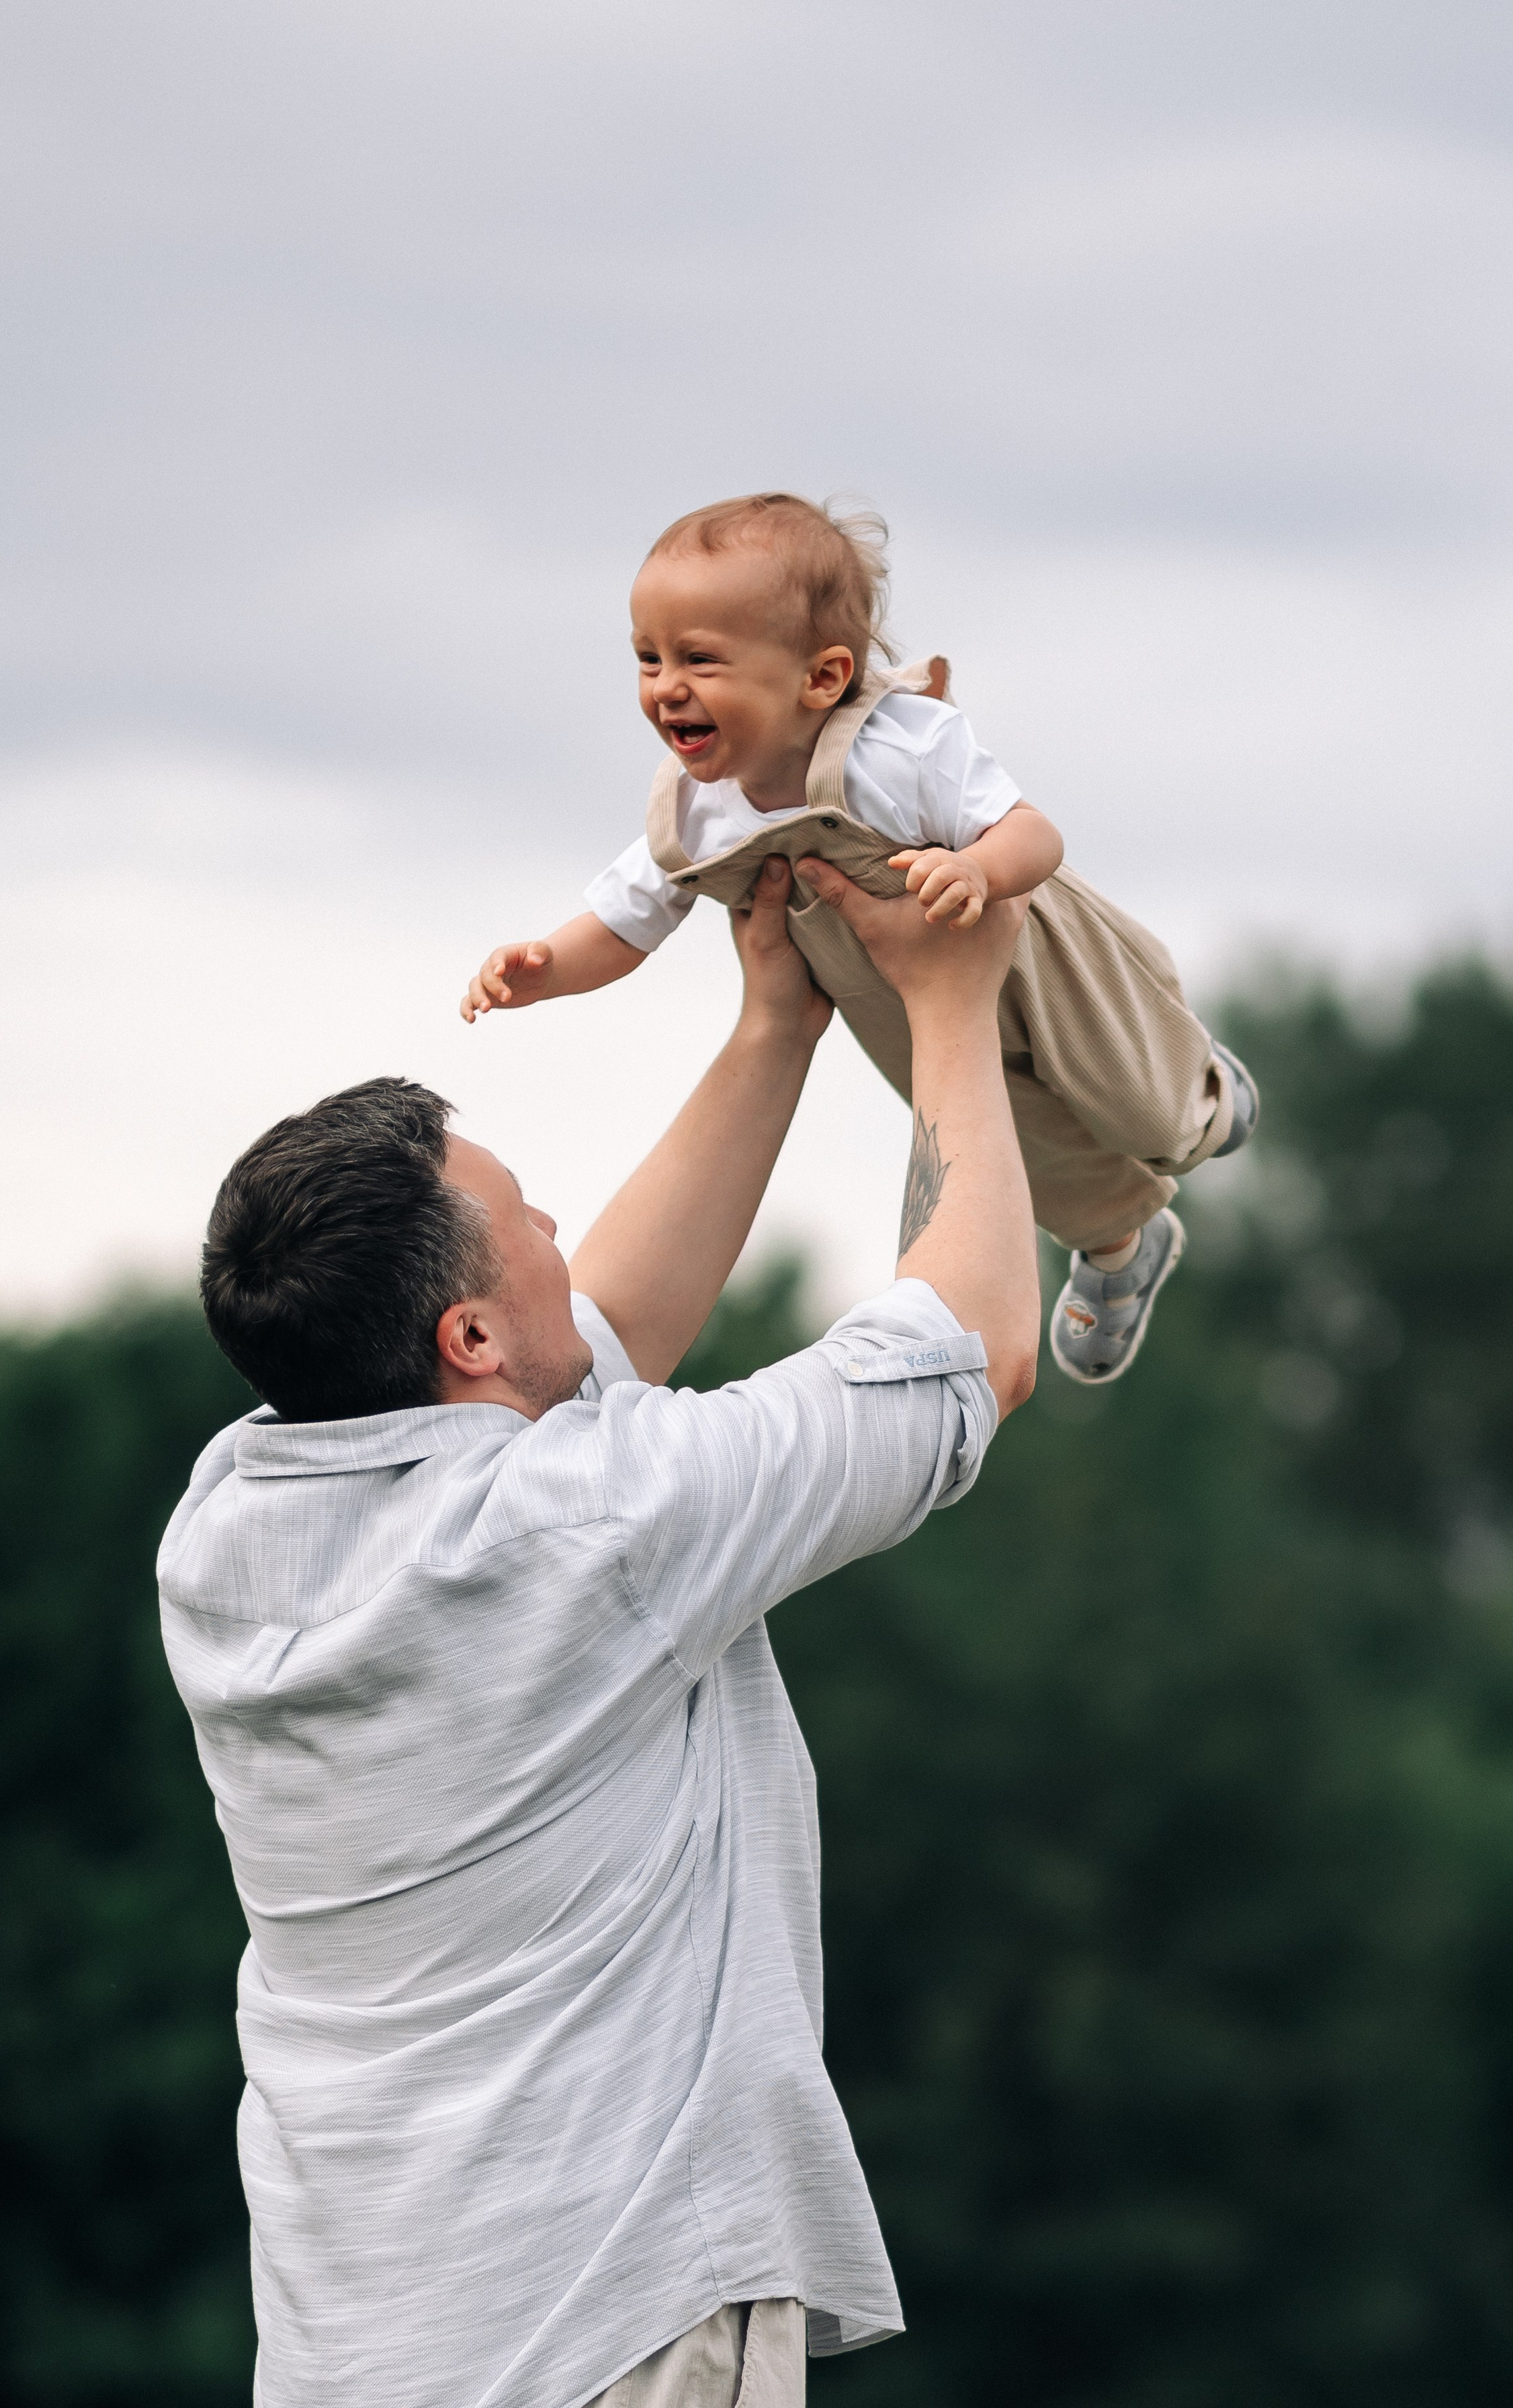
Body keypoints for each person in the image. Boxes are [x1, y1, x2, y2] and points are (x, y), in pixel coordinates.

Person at [157, 854, 1040, 2407]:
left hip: (354, 2348)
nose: (559, 1219)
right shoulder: (595, 1525)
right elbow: (977, 1340)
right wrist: (953, 1006)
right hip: (605, 2322)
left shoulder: (228, 1527)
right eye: (522, 1214)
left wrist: (774, 1022)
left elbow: (575, 1350)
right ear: (467, 1334)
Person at [462, 490, 1260, 1387]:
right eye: (648, 657)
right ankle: (1121, 1247)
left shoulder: (899, 748)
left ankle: (1211, 1093)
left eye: (700, 659)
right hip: (899, 999)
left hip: (1027, 954)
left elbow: (1036, 834)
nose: (665, 686)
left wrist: (979, 872)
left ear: (822, 677)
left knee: (1139, 1089)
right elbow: (624, 924)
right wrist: (544, 969)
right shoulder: (698, 813)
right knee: (1028, 1147)